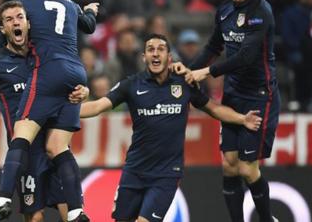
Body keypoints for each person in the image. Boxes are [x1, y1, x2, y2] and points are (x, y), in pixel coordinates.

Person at [80, 34, 263, 222]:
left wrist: (242, 119)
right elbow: (97, 106)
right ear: (144, 57)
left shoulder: (184, 83)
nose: (155, 54)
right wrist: (61, 111)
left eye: (161, 49)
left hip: (166, 174)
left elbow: (213, 108)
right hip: (134, 170)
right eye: (150, 49)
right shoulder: (131, 85)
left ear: (169, 57)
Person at [0, 1, 89, 222]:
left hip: (54, 146)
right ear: (3, 29)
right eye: (9, 19)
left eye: (19, 17)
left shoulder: (46, 57)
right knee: (36, 218)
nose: (16, 22)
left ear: (29, 23)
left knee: (69, 214)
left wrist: (84, 91)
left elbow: (68, 90)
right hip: (26, 153)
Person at [0, 0, 98, 222]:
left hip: (48, 71)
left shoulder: (22, 3)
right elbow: (90, 26)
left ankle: (2, 199)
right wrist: (91, 10)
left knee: (21, 134)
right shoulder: (70, 3)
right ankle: (76, 211)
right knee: (59, 147)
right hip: (77, 73)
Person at [173, 0, 280, 222]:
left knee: (246, 167)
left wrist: (205, 72)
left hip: (260, 95)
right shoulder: (224, 11)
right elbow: (213, 47)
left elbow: (245, 56)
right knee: (229, 166)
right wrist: (189, 71)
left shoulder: (261, 12)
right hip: (233, 95)